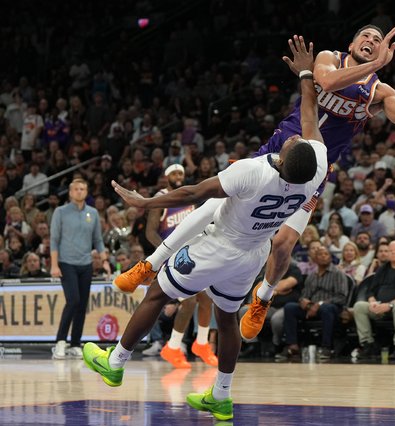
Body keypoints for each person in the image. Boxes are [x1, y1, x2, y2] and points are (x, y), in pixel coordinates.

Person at [113, 24, 395, 344]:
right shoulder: (330, 59)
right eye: (365, 35)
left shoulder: (378, 91)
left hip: (314, 169)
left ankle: (263, 297)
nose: (371, 39)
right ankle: (151, 263)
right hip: (280, 150)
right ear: (351, 44)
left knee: (284, 243)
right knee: (214, 203)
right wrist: (375, 64)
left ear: (384, 49)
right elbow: (328, 82)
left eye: (377, 39)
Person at [82, 35, 327, 421]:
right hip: (253, 254)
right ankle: (222, 396)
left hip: (220, 245)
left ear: (283, 158)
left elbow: (195, 191)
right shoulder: (316, 169)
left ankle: (115, 361)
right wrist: (307, 75)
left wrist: (146, 202)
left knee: (157, 295)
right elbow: (311, 117)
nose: (294, 134)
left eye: (292, 139)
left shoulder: (254, 170)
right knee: (226, 318)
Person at [145, 164, 217, 367]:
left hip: (193, 252)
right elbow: (150, 232)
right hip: (172, 256)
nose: (178, 176)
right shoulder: (161, 198)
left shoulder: (190, 196)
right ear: (166, 177)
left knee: (206, 299)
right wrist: (166, 251)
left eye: (181, 174)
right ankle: (173, 346)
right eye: (174, 173)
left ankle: (201, 344)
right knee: (190, 301)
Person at [51, 178, 110, 359]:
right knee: (73, 300)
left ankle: (75, 343)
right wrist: (54, 265)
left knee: (82, 305)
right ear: (70, 192)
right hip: (66, 263)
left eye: (82, 189)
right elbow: (54, 240)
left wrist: (104, 260)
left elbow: (98, 240)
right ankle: (60, 342)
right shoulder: (60, 212)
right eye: (76, 189)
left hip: (86, 264)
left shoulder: (92, 213)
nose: (79, 191)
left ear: (86, 191)